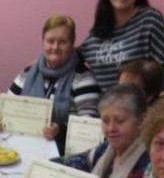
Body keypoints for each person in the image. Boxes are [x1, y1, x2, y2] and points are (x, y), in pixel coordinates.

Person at [9, 14, 100, 156]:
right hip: (23, 148)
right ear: (43, 42)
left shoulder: (83, 77)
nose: (55, 47)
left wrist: (61, 128)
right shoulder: (28, 72)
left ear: (72, 44)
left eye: (62, 42)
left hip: (63, 154)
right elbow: (8, 106)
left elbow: (89, 127)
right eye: (50, 41)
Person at [79, 0, 164, 92]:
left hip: (140, 108)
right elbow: (72, 58)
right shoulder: (97, 34)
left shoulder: (150, 20)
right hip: (104, 109)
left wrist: (162, 106)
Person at [61, 84, 150, 178]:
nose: (111, 129)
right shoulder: (104, 149)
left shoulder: (148, 163)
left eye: (119, 121)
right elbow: (72, 162)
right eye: (105, 121)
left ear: (141, 121)